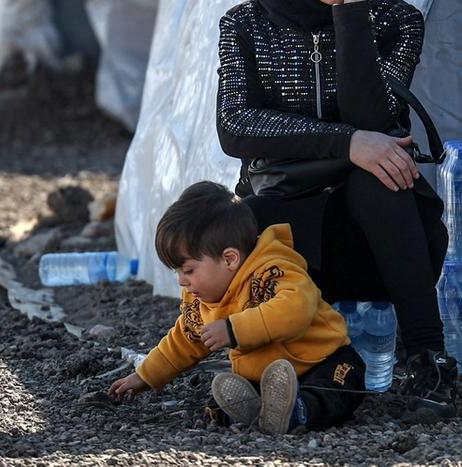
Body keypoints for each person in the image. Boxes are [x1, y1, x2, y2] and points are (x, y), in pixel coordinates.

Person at [216, 0, 457, 420]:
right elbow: (236, 126)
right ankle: (304, 402)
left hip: (374, 233)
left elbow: (378, 119)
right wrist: (348, 144)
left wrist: (352, 15)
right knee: (327, 356)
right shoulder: (246, 25)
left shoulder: (395, 22)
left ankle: (429, 358)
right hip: (281, 222)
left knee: (384, 176)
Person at [107, 181, 366, 434]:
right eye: (177, 271)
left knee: (336, 388)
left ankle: (296, 411)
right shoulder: (201, 297)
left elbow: (295, 309)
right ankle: (260, 411)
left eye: (188, 270)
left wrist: (234, 329)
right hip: (265, 379)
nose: (181, 281)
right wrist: (145, 376)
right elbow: (184, 340)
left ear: (229, 258)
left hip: (322, 362)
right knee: (218, 402)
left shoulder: (272, 270)